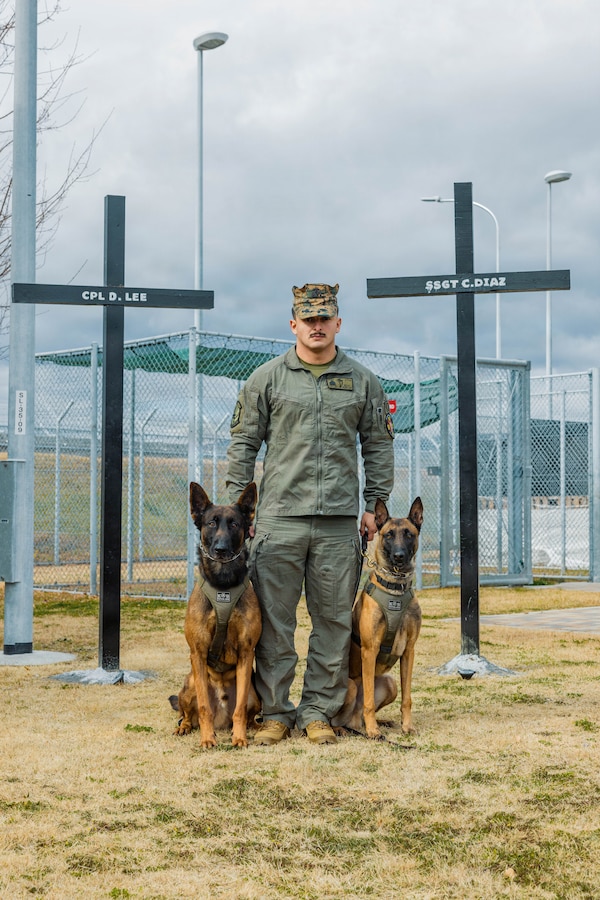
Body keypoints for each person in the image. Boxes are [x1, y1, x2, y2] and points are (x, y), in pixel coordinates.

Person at [225, 283, 395, 745]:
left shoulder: (362, 382)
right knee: (275, 624)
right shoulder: (266, 379)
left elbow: (378, 445)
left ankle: (318, 709)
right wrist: (240, 512)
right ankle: (277, 712)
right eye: (308, 318)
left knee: (336, 621)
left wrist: (373, 508)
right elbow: (242, 446)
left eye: (325, 318)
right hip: (278, 519)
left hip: (339, 522)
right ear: (293, 324)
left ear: (338, 323)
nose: (316, 326)